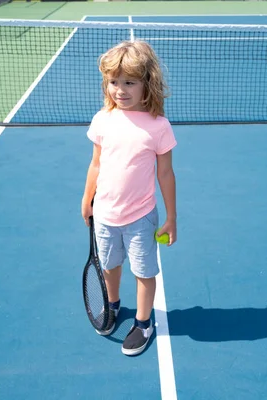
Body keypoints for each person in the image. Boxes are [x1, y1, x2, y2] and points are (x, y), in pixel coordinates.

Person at [81, 40, 177, 356]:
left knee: (144, 272)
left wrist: (171, 218)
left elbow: (165, 174)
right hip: (105, 215)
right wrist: (87, 198)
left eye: (129, 82)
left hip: (140, 217)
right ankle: (112, 304)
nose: (119, 90)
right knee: (109, 266)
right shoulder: (102, 120)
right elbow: (96, 163)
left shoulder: (158, 126)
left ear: (146, 83)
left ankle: (144, 322)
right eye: (113, 82)